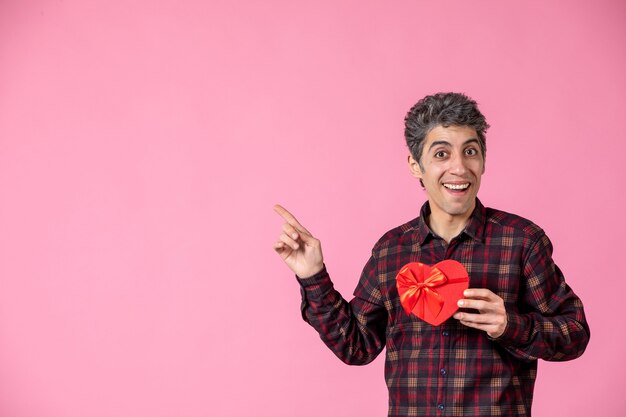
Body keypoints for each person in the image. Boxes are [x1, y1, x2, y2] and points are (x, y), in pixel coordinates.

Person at [273, 92, 589, 417]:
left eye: (470, 152)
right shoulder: (391, 250)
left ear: (483, 161)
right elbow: (356, 346)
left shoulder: (522, 241)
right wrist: (313, 275)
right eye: (441, 153)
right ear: (415, 165)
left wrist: (510, 326)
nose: (459, 167)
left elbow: (575, 333)